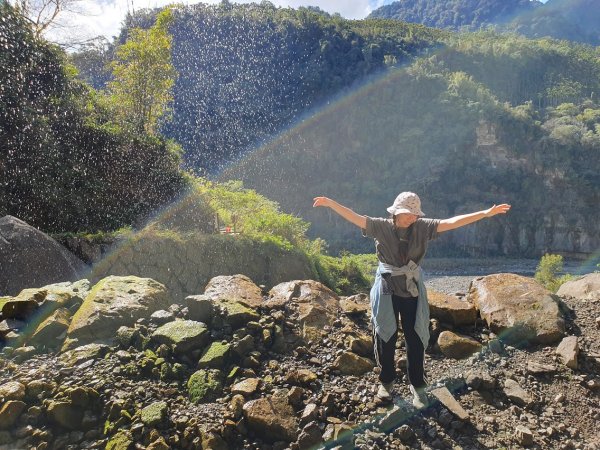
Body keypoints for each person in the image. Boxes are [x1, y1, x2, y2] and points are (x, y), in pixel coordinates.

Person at [313, 192, 510, 407]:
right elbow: (355, 217)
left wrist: (484, 213)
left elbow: (451, 222)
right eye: (409, 214)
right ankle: (386, 382)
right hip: (388, 281)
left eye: (415, 214)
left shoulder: (423, 227)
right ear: (397, 211)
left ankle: (418, 386)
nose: (413, 218)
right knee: (385, 334)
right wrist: (331, 203)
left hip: (411, 285)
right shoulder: (381, 226)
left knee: (415, 336)